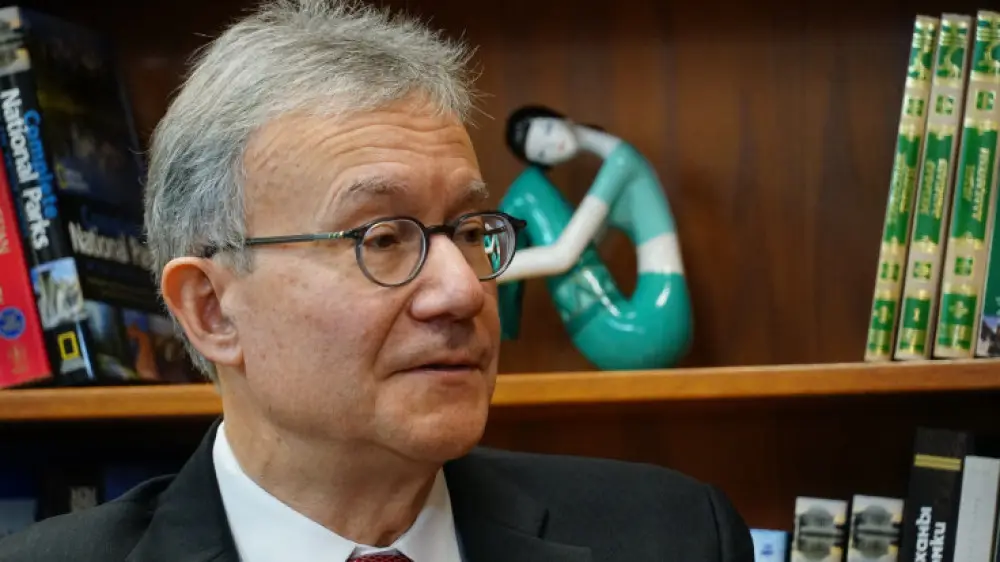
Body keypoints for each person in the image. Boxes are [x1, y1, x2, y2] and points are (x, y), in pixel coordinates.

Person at [0, 1, 755, 561]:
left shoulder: (673, 537)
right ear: (212, 310)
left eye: (470, 231)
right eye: (383, 239)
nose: (463, 291)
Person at [496, 105, 693, 370]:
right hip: (662, 319)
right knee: (526, 193)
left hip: (644, 331)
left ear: (563, 118)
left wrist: (491, 271)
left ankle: (500, 322)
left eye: (549, 129)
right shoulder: (622, 163)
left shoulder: (621, 164)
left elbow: (563, 257)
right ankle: (501, 320)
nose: (553, 145)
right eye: (542, 153)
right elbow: (588, 244)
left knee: (528, 191)